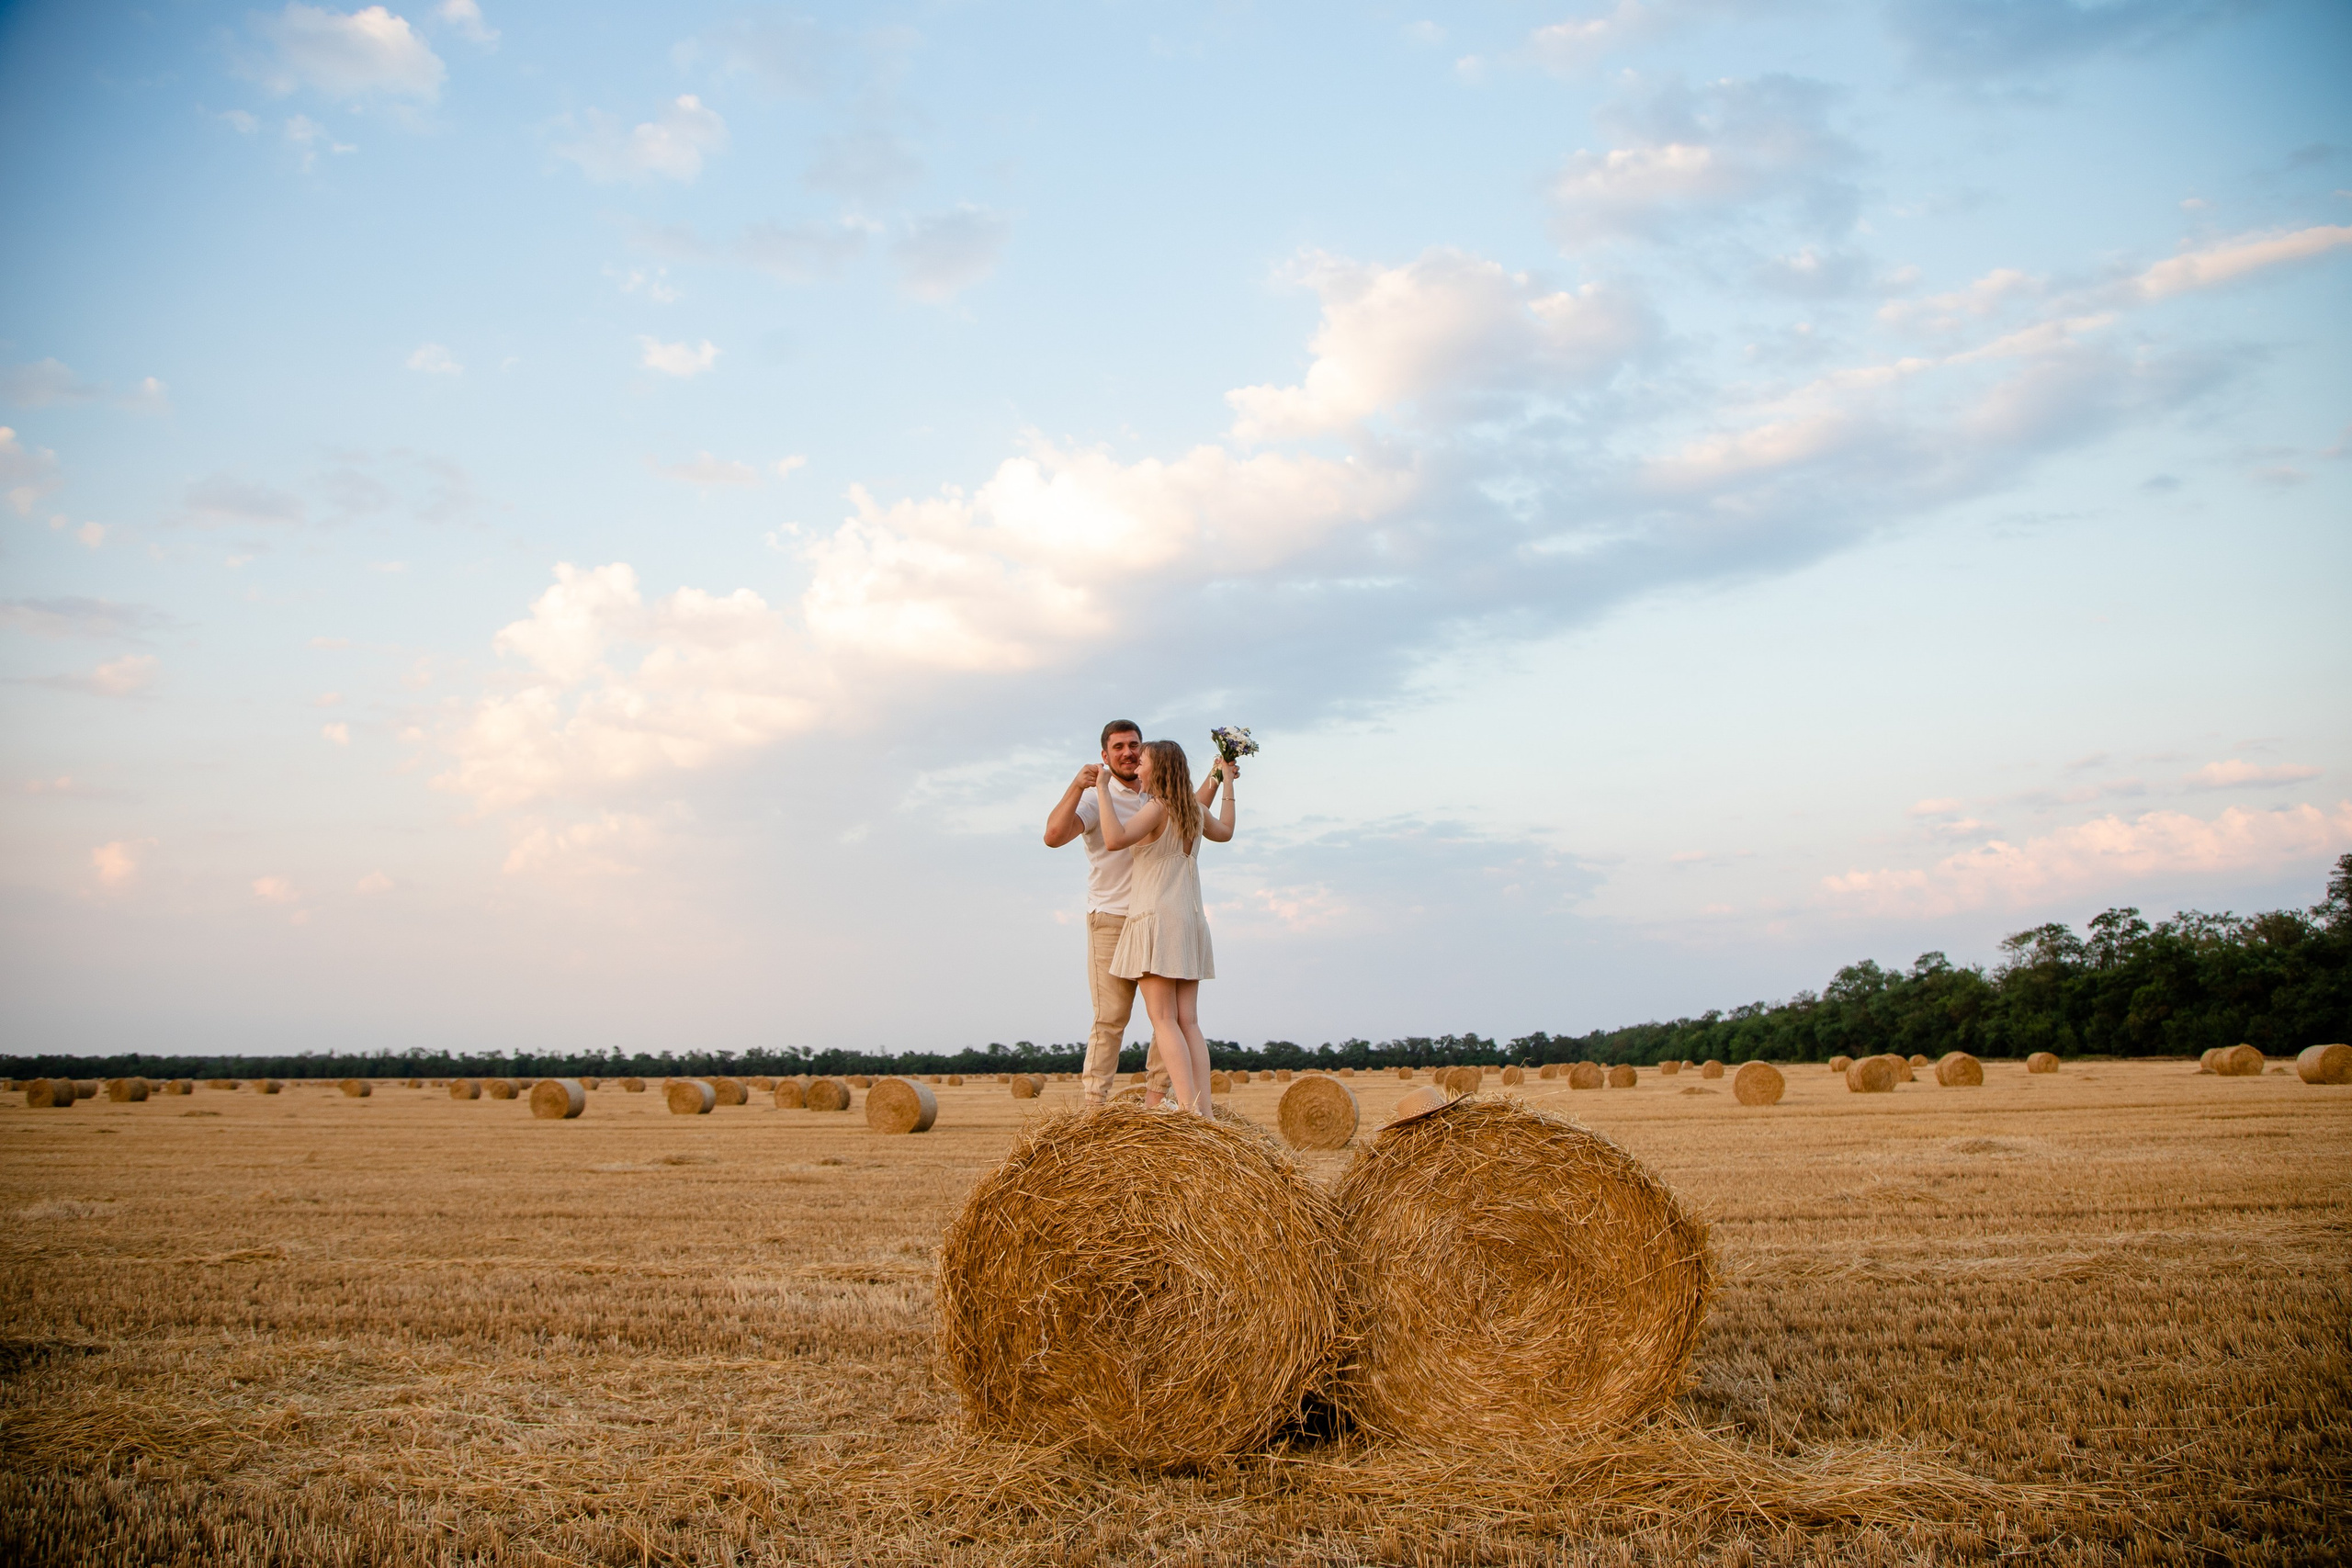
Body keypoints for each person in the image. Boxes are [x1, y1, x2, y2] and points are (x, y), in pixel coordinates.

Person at [1043, 722, 1222, 1109]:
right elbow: (1053, 836)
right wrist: (1078, 786)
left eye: (1134, 746)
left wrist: (1219, 773)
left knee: (1166, 1021)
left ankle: (1156, 1102)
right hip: (1112, 917)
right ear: (1104, 756)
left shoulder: (1160, 795)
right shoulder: (1097, 800)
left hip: (1156, 918)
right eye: (1119, 747)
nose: (1128, 753)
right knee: (1111, 1018)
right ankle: (1095, 1107)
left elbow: (1195, 808)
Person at [1094, 739, 1236, 1115]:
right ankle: (1204, 1112)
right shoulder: (1193, 811)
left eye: (1142, 762)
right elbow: (1226, 831)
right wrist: (1226, 782)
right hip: (1190, 920)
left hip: (1157, 918)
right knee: (1189, 1021)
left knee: (1163, 1019)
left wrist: (1102, 790)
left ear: (1157, 769)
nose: (1137, 768)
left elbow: (1114, 839)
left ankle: (1189, 1110)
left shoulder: (1157, 808)